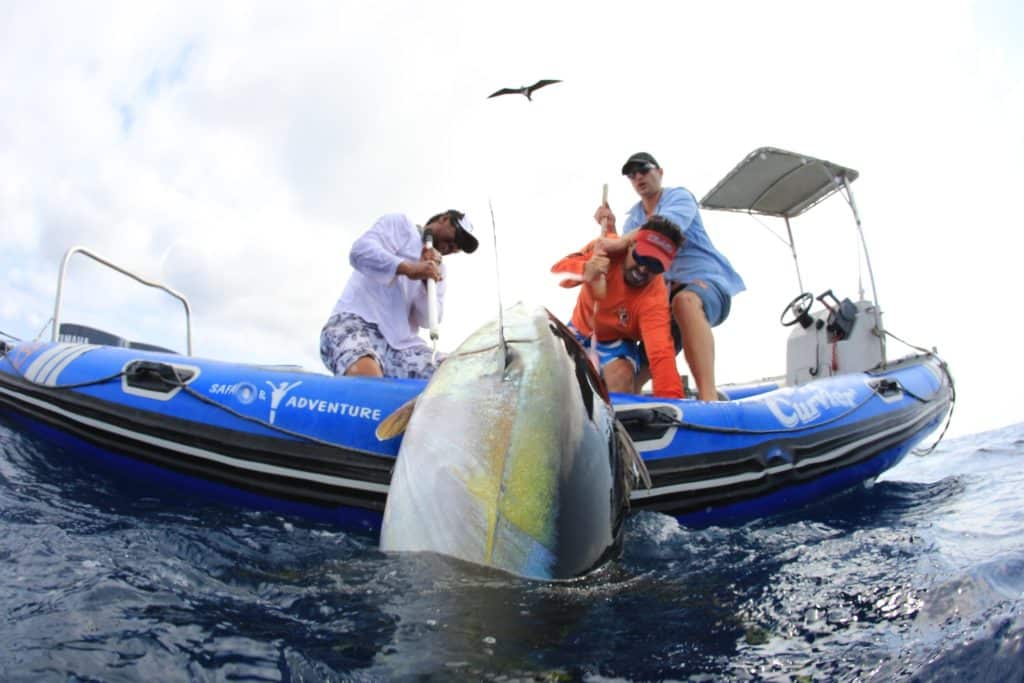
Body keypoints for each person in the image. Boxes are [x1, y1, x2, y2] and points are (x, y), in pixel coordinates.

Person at [595, 152, 745, 401]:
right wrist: (610, 230)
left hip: (706, 284)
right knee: (644, 344)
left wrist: (620, 240)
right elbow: (628, 256)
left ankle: (709, 398)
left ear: (660, 172)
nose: (638, 177)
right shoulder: (632, 218)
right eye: (632, 175)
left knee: (684, 302)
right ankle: (627, 403)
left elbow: (661, 229)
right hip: (662, 298)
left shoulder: (680, 197)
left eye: (644, 170)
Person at [320, 209, 478, 379]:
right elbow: (360, 252)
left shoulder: (439, 270)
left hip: (403, 347)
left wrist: (425, 282)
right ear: (445, 219)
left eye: (459, 247)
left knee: (456, 375)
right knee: (367, 374)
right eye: (457, 237)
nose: (454, 246)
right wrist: (408, 268)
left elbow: (428, 320)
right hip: (357, 323)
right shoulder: (401, 226)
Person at [551, 216, 685, 399]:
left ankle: (616, 422)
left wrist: (673, 402)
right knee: (548, 369)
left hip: (615, 341)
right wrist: (584, 270)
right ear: (630, 245)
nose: (644, 269)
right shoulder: (603, 249)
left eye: (655, 265)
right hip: (578, 330)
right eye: (642, 257)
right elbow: (556, 274)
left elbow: (660, 353)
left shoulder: (654, 297)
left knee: (622, 375)